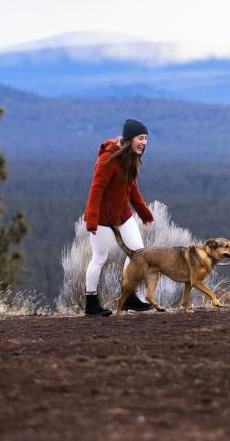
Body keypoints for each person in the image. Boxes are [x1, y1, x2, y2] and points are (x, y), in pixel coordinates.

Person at [82, 118, 155, 317]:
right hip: (103, 218)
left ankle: (128, 297)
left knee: (138, 253)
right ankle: (91, 304)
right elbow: (96, 190)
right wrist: (92, 219)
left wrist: (144, 214)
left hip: (123, 214)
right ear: (130, 138)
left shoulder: (131, 157)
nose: (144, 142)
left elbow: (132, 189)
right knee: (99, 258)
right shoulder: (108, 159)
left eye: (146, 138)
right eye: (141, 138)